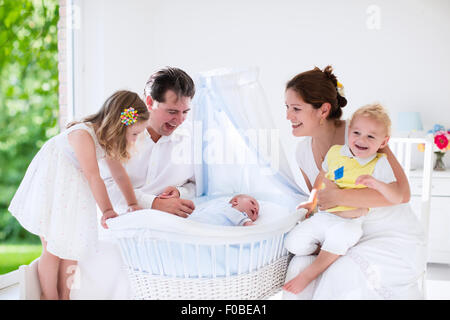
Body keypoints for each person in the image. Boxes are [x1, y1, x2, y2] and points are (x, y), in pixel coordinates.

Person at [283, 66, 425, 300]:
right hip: (345, 236)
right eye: (287, 108)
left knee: (342, 273)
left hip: (386, 236)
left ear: (323, 110)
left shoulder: (361, 132)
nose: (288, 116)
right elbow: (322, 204)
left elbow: (402, 194)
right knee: (298, 265)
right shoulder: (302, 152)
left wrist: (340, 197)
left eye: (296, 109)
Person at [8, 90, 150, 300]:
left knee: (72, 249)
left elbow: (119, 174)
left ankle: (66, 295)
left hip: (72, 189)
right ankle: (49, 295)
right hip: (54, 186)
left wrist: (132, 203)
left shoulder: (107, 141)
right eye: (135, 134)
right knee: (52, 249)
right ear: (120, 126)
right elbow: (93, 176)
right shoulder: (82, 134)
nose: (136, 139)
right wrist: (108, 210)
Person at [71, 67, 197, 300]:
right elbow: (104, 184)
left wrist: (179, 191)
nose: (179, 120)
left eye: (185, 112)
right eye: (172, 111)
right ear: (149, 101)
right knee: (112, 260)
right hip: (119, 223)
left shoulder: (190, 141)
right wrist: (153, 204)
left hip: (167, 229)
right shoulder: (123, 129)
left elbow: (196, 185)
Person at [283, 103, 403, 295]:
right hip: (325, 216)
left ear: (383, 142)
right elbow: (321, 176)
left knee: (343, 235)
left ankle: (310, 273)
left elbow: (392, 194)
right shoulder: (336, 153)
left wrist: (375, 183)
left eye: (371, 136)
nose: (361, 140)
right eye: (356, 133)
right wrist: (312, 200)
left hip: (350, 220)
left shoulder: (379, 163)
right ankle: (328, 251)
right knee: (293, 243)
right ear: (349, 132)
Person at [189, 194, 260, 226]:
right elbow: (233, 213)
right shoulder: (227, 207)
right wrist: (246, 222)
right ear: (235, 202)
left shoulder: (238, 222)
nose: (256, 208)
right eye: (252, 203)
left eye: (257, 212)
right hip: (201, 221)